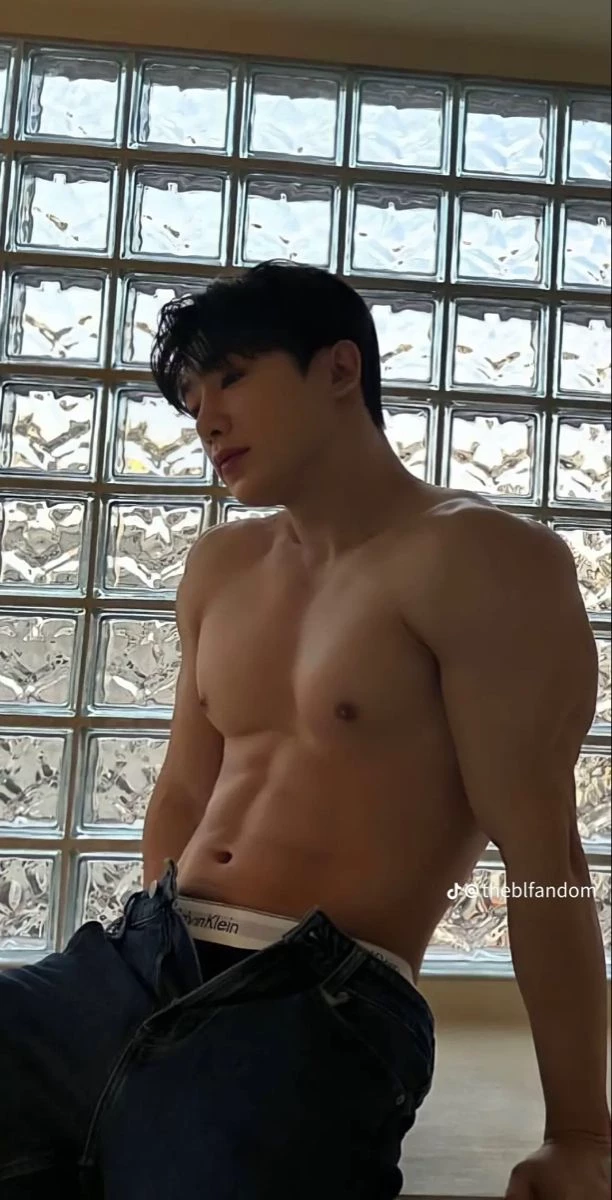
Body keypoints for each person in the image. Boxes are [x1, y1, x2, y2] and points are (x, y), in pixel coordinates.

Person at [0, 261, 609, 1200]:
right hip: (136, 964)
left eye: (232, 378)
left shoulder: (481, 557)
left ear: (339, 369)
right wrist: (156, 944)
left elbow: (543, 856)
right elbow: (184, 792)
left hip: (318, 997)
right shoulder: (221, 564)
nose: (206, 420)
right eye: (192, 400)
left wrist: (579, 1133)